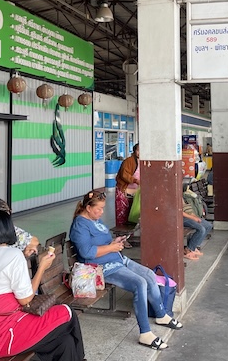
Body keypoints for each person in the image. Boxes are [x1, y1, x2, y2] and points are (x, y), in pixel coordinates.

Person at [69, 191, 183, 351]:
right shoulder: (79, 225)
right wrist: (111, 247)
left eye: (103, 208)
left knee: (150, 275)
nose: (102, 212)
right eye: (99, 209)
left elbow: (103, 241)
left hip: (117, 259)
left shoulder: (94, 219)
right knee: (139, 283)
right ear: (88, 207)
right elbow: (86, 253)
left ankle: (161, 314)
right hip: (101, 268)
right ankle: (145, 333)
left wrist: (114, 242)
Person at [0, 209, 85, 361]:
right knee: (67, 312)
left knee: (64, 342)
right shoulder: (13, 254)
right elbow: (25, 299)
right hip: (6, 334)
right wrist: (41, 267)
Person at [182, 184, 213, 260]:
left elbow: (187, 207)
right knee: (201, 229)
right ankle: (188, 249)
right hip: (182, 218)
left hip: (189, 216)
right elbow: (180, 212)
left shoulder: (182, 196)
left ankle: (194, 246)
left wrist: (195, 216)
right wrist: (193, 218)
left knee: (208, 225)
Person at [115, 143, 140, 226]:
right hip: (124, 190)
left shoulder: (143, 161)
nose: (140, 152)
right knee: (122, 214)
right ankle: (121, 233)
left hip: (136, 191)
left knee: (132, 212)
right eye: (138, 150)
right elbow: (124, 174)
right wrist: (135, 181)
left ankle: (130, 232)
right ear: (134, 151)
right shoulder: (129, 161)